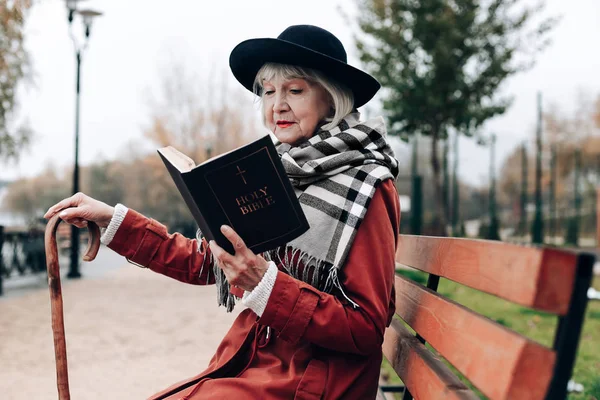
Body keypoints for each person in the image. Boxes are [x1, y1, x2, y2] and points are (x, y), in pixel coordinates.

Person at [45, 25, 400, 400]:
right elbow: (205, 261)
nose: (277, 104)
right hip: (255, 364)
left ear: (332, 99)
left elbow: (364, 328)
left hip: (314, 382)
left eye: (295, 90)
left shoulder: (367, 185)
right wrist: (113, 220)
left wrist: (265, 284)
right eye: (267, 92)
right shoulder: (275, 173)